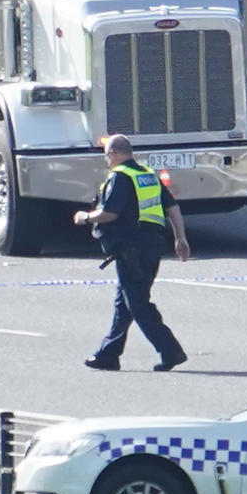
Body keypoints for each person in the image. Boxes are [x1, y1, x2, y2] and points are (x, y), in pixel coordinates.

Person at [73, 133, 190, 372]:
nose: (107, 161)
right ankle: (108, 354)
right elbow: (172, 207)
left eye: (107, 156)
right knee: (124, 302)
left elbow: (110, 213)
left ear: (114, 154)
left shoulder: (120, 177)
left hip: (131, 247)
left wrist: (85, 217)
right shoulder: (147, 174)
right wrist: (180, 238)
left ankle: (170, 350)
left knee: (137, 303)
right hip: (152, 245)